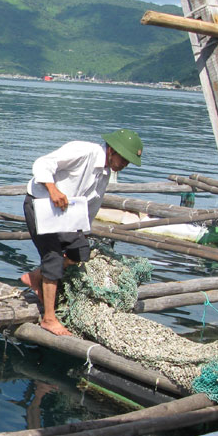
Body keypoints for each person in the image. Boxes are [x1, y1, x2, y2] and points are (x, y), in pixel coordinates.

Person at [20, 129, 143, 336]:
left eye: (128, 162)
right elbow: (43, 163)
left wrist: (82, 232)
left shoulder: (105, 175)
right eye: (123, 159)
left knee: (80, 252)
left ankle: (34, 277)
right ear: (112, 150)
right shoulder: (84, 151)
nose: (124, 165)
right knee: (53, 257)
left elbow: (91, 205)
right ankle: (49, 318)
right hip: (41, 205)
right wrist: (53, 190)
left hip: (67, 214)